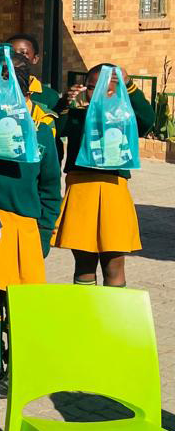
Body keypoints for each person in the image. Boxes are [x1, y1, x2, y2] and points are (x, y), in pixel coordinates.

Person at [0, 52, 61, 400]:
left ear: (27, 95)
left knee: (19, 302)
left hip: (25, 227)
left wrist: (44, 233)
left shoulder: (41, 132)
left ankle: (19, 366)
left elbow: (50, 188)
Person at [51, 63, 155, 288]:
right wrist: (65, 105)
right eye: (91, 87)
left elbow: (147, 120)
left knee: (113, 264)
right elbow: (56, 130)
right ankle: (88, 317)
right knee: (84, 264)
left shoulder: (125, 119)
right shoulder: (79, 114)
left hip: (113, 190)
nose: (97, 93)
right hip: (80, 190)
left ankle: (114, 320)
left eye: (107, 89)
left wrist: (129, 87)